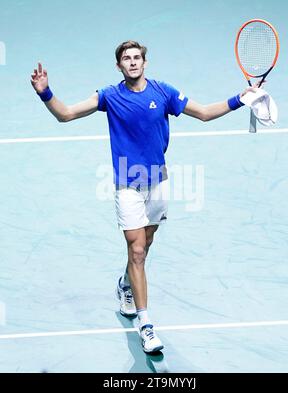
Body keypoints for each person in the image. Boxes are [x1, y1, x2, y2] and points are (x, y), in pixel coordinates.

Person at [31, 40, 250, 353]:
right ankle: (146, 326)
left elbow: (203, 112)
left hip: (158, 182)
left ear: (145, 63)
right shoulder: (110, 96)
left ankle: (125, 283)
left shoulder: (163, 92)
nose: (132, 62)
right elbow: (65, 114)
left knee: (145, 246)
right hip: (127, 184)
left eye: (137, 58)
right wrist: (45, 92)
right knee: (136, 250)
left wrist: (240, 99)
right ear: (119, 66)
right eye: (126, 59)